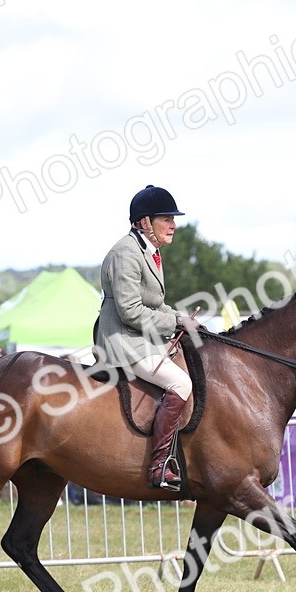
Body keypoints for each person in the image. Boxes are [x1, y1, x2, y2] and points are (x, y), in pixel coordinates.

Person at [94, 184, 199, 491]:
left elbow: (155, 304)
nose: (173, 225)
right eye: (166, 218)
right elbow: (130, 311)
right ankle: (159, 465)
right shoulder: (126, 253)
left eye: (173, 219)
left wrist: (181, 318)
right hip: (123, 340)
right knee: (181, 383)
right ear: (144, 222)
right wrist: (172, 321)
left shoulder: (149, 252)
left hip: (141, 337)